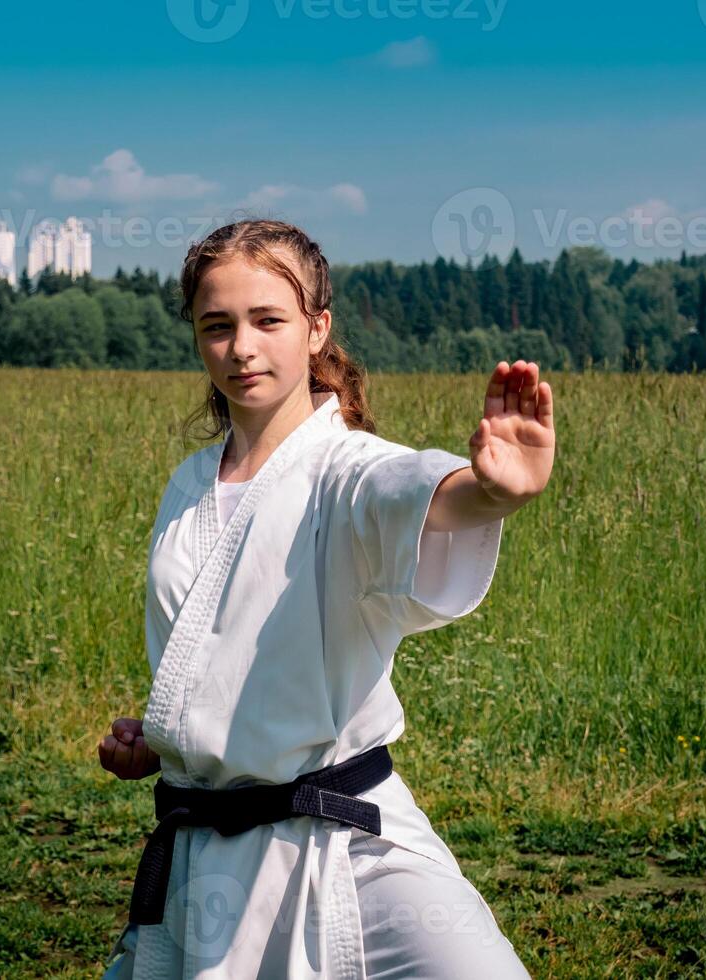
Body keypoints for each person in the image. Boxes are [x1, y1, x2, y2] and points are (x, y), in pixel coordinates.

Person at [96, 219, 553, 979]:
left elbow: (406, 489)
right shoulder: (187, 486)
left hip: (351, 842)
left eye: (268, 320)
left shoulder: (345, 468)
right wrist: (171, 739)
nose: (241, 347)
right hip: (208, 858)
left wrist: (485, 493)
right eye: (218, 326)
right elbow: (222, 651)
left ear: (316, 329)